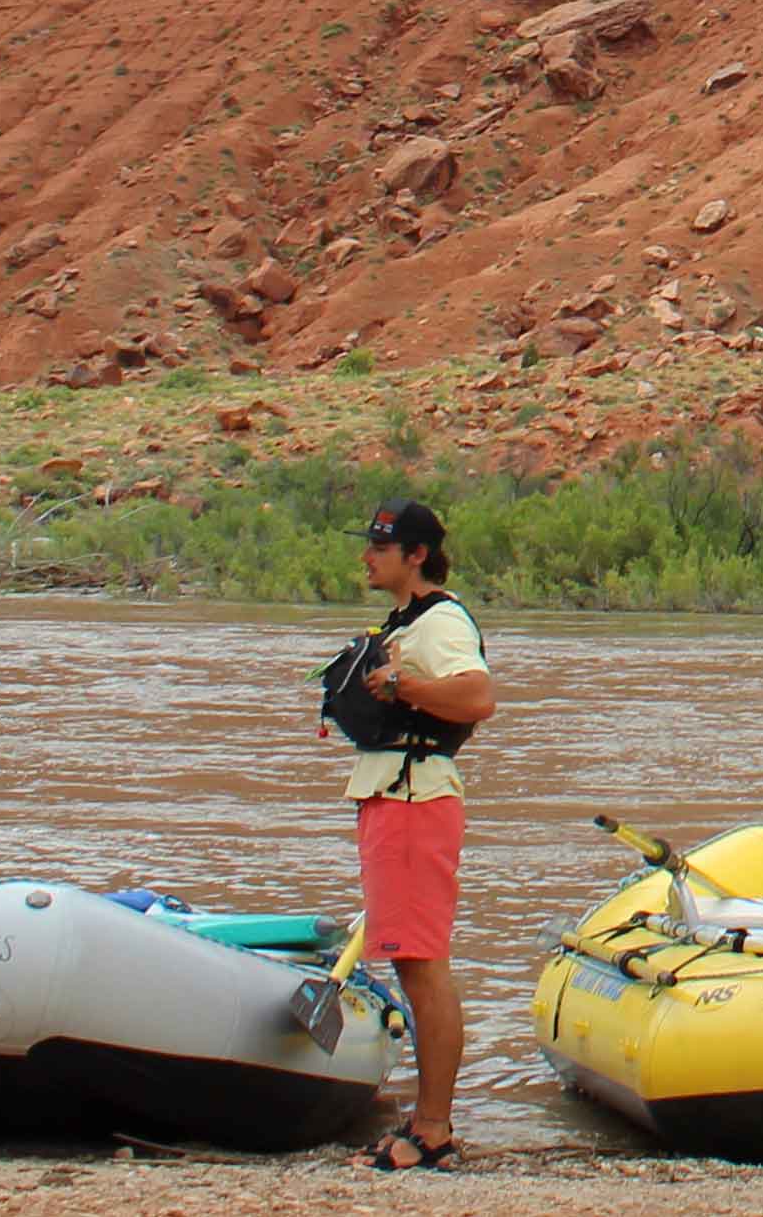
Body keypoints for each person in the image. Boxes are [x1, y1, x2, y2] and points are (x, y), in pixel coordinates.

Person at [331, 500, 495, 1172]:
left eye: (381, 545)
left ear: (416, 555)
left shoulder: (443, 620)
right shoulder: (405, 622)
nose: (368, 555)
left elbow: (478, 698)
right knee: (410, 961)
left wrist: (404, 682)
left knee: (422, 966)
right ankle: (428, 1121)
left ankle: (433, 1129)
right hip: (393, 798)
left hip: (414, 800)